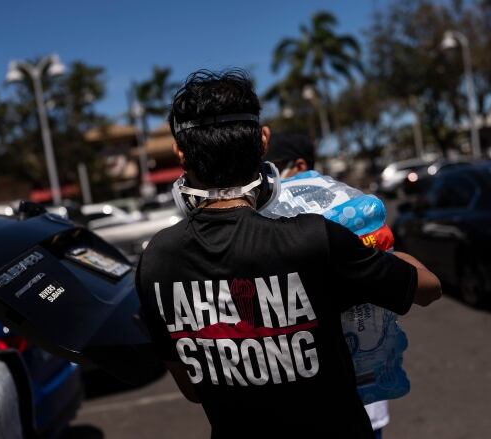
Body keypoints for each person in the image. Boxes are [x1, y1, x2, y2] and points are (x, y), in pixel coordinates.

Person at [135, 69, 441, 438]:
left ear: (180, 153)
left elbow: (194, 390)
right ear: (263, 141)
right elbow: (428, 287)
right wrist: (368, 247)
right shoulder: (315, 238)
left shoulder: (156, 261)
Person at [263, 133, 400, 439]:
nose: (268, 181)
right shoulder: (275, 214)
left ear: (299, 165)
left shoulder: (341, 206)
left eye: (273, 170)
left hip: (357, 387)